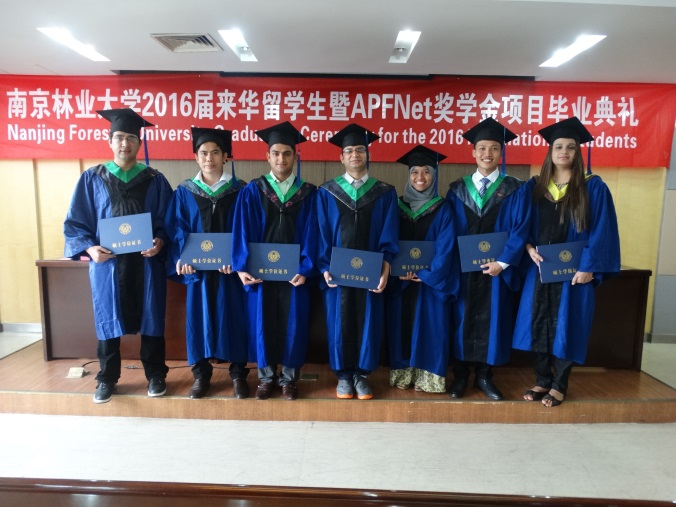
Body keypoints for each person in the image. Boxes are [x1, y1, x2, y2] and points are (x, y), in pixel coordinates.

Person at [63, 108, 172, 404]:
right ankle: (107, 378)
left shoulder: (155, 179)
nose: (125, 144)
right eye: (120, 138)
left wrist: (160, 242)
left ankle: (155, 375)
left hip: (146, 263)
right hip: (108, 264)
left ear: (140, 143)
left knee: (151, 318)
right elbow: (75, 224)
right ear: (109, 141)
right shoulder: (92, 178)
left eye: (131, 138)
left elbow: (168, 221)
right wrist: (89, 249)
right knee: (108, 318)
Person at [513, 117, 621, 407]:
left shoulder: (593, 187)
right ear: (550, 151)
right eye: (558, 146)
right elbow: (521, 225)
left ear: (578, 152)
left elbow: (602, 230)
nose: (564, 152)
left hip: (574, 273)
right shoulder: (536, 187)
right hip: (539, 269)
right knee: (537, 323)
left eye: (570, 147)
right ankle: (541, 380)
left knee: (566, 325)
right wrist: (526, 247)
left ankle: (559, 384)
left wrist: (589, 267)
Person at [231, 121, 317, 401]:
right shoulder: (253, 191)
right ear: (268, 157)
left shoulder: (308, 193)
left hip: (295, 275)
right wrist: (242, 266)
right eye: (276, 153)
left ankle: (289, 379)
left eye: (287, 153)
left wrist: (306, 268)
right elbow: (242, 230)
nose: (281, 159)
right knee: (262, 323)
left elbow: (314, 234)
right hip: (261, 274)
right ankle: (266, 378)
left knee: (294, 324)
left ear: (296, 156)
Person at [446, 117, 530, 400]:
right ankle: (460, 375)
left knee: (492, 320)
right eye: (482, 148)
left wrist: (503, 262)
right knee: (462, 319)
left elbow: (521, 229)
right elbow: (449, 231)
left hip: (496, 271)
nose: (487, 154)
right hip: (464, 271)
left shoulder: (516, 189)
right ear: (473, 152)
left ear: (501, 152)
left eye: (494, 148)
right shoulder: (457, 189)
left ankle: (484, 376)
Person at [164, 127, 250, 399]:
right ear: (196, 157)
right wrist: (182, 258)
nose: (209, 158)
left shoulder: (241, 190)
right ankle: (201, 374)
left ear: (226, 156)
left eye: (215, 152)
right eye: (203, 153)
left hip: (229, 272)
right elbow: (175, 228)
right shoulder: (185, 192)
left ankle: (238, 373)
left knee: (234, 318)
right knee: (198, 319)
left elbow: (246, 229)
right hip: (198, 273)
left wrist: (237, 261)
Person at [316, 123, 399, 400]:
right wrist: (324, 266)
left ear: (367, 155)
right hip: (337, 274)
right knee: (339, 320)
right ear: (341, 157)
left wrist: (386, 268)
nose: (355, 155)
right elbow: (320, 233)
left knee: (368, 320)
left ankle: (362, 375)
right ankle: (343, 375)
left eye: (360, 150)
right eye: (349, 151)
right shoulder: (327, 192)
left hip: (371, 272)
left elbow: (389, 233)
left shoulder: (384, 193)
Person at [385, 145, 459, 393]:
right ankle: (403, 373)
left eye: (426, 172)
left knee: (432, 327)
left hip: (430, 285)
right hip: (402, 282)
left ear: (434, 176)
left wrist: (426, 275)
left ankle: (429, 377)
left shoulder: (443, 208)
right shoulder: (395, 206)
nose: (420, 177)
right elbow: (389, 241)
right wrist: (397, 272)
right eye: (414, 171)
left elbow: (446, 246)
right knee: (401, 326)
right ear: (408, 175)